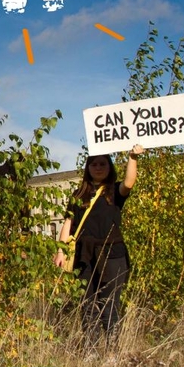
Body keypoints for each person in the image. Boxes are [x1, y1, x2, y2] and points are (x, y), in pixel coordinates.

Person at [54, 144, 144, 355]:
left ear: (109, 166)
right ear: (88, 167)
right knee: (87, 304)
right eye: (94, 163)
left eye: (102, 163)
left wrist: (132, 157)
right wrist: (60, 251)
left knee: (110, 304)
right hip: (85, 256)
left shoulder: (114, 191)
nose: (98, 167)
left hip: (112, 256)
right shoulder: (79, 194)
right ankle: (91, 351)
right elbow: (68, 222)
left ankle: (113, 353)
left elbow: (129, 182)